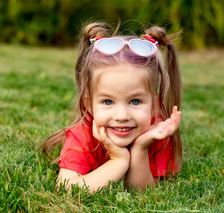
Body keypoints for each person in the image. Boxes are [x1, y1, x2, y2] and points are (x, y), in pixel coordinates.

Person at [42, 22, 183, 192]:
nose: (122, 116)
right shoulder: (83, 134)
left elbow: (143, 191)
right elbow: (67, 189)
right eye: (108, 102)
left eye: (135, 101)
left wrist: (140, 147)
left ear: (154, 105)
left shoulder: (157, 130)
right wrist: (118, 161)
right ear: (89, 104)